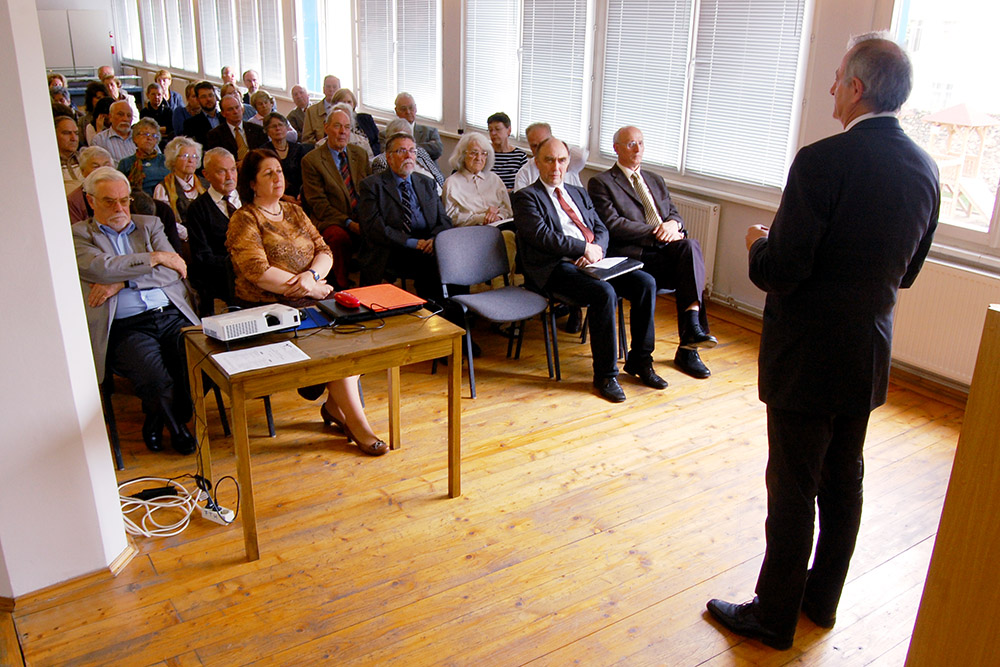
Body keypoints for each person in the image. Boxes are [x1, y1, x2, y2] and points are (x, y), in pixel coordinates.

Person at [704, 34, 939, 651]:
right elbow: (908, 272)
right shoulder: (925, 169)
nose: (831, 88)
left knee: (792, 486)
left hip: (807, 356)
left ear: (856, 88)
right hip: (866, 353)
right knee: (842, 482)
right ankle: (822, 599)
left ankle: (772, 616)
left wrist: (757, 241)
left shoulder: (821, 161)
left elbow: (781, 271)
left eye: (837, 78)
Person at [226, 149, 389, 456]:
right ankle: (359, 427)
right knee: (334, 348)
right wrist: (309, 288)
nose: (277, 178)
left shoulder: (294, 211)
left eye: (279, 171)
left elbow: (324, 250)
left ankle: (335, 407)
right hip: (271, 309)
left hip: (312, 296)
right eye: (268, 173)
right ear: (252, 183)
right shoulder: (244, 218)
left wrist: (312, 277)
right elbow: (258, 272)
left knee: (360, 335)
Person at [512, 137, 665, 403]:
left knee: (645, 283)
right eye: (549, 160)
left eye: (561, 160)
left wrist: (596, 250)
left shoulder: (578, 192)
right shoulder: (526, 197)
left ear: (568, 162)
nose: (556, 167)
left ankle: (641, 361)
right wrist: (581, 249)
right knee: (603, 293)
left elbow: (601, 228)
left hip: (593, 261)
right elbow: (542, 237)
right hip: (555, 268)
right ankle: (606, 375)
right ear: (537, 162)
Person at [72, 167, 199, 455]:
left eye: (124, 200)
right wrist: (155, 257)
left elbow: (174, 272)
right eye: (109, 201)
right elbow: (101, 268)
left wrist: (123, 282)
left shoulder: (150, 225)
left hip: (170, 314)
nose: (119, 208)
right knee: (154, 379)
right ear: (91, 201)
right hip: (125, 324)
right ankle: (177, 430)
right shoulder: (79, 234)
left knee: (194, 364)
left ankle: (156, 418)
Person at [588, 125, 717, 379]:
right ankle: (689, 341)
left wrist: (674, 225)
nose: (637, 149)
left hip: (665, 252)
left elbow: (674, 215)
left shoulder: (655, 179)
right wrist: (658, 231)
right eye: (630, 144)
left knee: (690, 248)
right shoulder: (602, 182)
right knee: (690, 266)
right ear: (616, 149)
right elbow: (613, 224)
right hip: (635, 255)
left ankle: (690, 337)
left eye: (641, 143)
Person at [357, 133, 452, 298]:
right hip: (392, 247)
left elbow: (444, 220)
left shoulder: (426, 182)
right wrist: (414, 243)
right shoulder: (372, 186)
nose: (409, 156)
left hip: (427, 244)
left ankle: (455, 308)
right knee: (429, 265)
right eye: (402, 151)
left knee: (455, 259)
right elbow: (374, 228)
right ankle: (431, 307)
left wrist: (434, 240)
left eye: (412, 151)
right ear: (389, 157)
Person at [301, 106, 370, 289]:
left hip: (359, 216)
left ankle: (371, 285)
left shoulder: (360, 154)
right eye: (337, 126)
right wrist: (349, 223)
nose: (342, 132)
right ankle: (341, 287)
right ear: (326, 127)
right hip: (330, 219)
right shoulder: (312, 161)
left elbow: (368, 191)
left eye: (347, 127)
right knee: (339, 237)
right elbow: (319, 205)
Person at [186, 147, 240, 313]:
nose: (230, 177)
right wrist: (238, 265)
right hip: (221, 278)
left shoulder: (250, 198)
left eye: (233, 170)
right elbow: (202, 256)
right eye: (222, 172)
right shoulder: (197, 209)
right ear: (206, 175)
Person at [442, 131, 511, 227]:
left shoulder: (494, 179)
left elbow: (508, 209)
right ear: (463, 155)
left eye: (483, 153)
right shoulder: (452, 183)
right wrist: (482, 218)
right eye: (474, 153)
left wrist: (498, 216)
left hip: (500, 226)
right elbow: (452, 218)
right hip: (470, 231)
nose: (479, 158)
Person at [372, 118, 445, 193]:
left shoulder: (420, 151)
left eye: (407, 137)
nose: (408, 155)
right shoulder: (382, 160)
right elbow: (388, 190)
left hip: (439, 193)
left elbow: (438, 176)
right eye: (402, 150)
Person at [153, 136, 206, 235]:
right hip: (181, 238)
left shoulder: (207, 185)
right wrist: (190, 235)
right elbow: (166, 220)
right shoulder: (163, 188)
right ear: (173, 160)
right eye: (186, 156)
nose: (191, 160)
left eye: (194, 156)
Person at [513, 122, 586, 192]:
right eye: (534, 146)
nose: (539, 149)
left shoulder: (568, 160)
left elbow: (581, 155)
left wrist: (557, 145)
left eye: (543, 143)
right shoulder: (524, 174)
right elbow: (522, 198)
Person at [377, 93, 443, 161]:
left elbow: (437, 150)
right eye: (403, 109)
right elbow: (387, 156)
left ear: (416, 108)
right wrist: (422, 148)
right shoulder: (385, 135)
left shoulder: (430, 132)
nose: (408, 112)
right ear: (396, 111)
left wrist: (403, 149)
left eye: (411, 108)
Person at [263, 112, 312, 200]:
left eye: (280, 125)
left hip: (301, 196)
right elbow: (264, 181)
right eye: (273, 126)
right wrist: (285, 197)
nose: (278, 128)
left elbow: (307, 175)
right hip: (275, 197)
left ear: (287, 128)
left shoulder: (299, 149)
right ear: (267, 131)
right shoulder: (263, 152)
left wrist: (302, 195)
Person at [205, 94, 267, 163]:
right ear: (223, 113)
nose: (235, 112)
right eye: (230, 109)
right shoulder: (215, 135)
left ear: (242, 109)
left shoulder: (257, 130)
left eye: (237, 107)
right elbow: (217, 160)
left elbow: (264, 154)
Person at [117, 117, 169, 196]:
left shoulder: (166, 160)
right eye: (146, 134)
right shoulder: (126, 163)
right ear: (135, 138)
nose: (149, 138)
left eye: (154, 136)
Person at [67, 146, 114, 223]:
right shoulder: (74, 201)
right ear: (83, 171)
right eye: (96, 167)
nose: (102, 170)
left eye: (106, 166)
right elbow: (76, 229)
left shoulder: (123, 191)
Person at [331, 87, 380, 157]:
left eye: (349, 102)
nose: (347, 105)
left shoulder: (366, 118)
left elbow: (378, 140)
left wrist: (372, 155)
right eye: (343, 102)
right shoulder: (332, 122)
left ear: (354, 104)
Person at [488, 112, 528, 191]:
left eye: (497, 129)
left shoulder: (520, 156)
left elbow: (525, 183)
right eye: (490, 130)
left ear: (509, 130)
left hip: (513, 196)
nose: (493, 133)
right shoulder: (484, 154)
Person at [92, 100, 137, 164]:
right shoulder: (99, 140)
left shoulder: (141, 137)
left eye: (129, 116)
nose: (125, 119)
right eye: (120, 115)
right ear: (110, 117)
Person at [301, 74, 341, 144]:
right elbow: (307, 138)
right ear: (323, 89)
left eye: (334, 87)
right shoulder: (311, 111)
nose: (331, 90)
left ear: (339, 90)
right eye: (328, 87)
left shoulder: (345, 109)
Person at [182, 81, 222, 147]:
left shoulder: (226, 117)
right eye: (203, 97)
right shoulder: (191, 124)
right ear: (198, 100)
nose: (208, 99)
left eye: (211, 95)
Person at [139, 82, 174, 147]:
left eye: (159, 94)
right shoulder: (144, 112)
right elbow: (145, 130)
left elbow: (171, 129)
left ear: (162, 95)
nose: (156, 97)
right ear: (147, 95)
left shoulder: (168, 111)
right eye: (153, 94)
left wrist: (155, 129)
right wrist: (162, 129)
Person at [55, 113, 82, 194]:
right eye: (67, 133)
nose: (74, 138)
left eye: (76, 133)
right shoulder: (48, 164)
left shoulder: (86, 159)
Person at [78, 81, 108, 146]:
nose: (102, 101)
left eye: (104, 98)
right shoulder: (82, 121)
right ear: (90, 100)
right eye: (98, 98)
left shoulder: (112, 119)